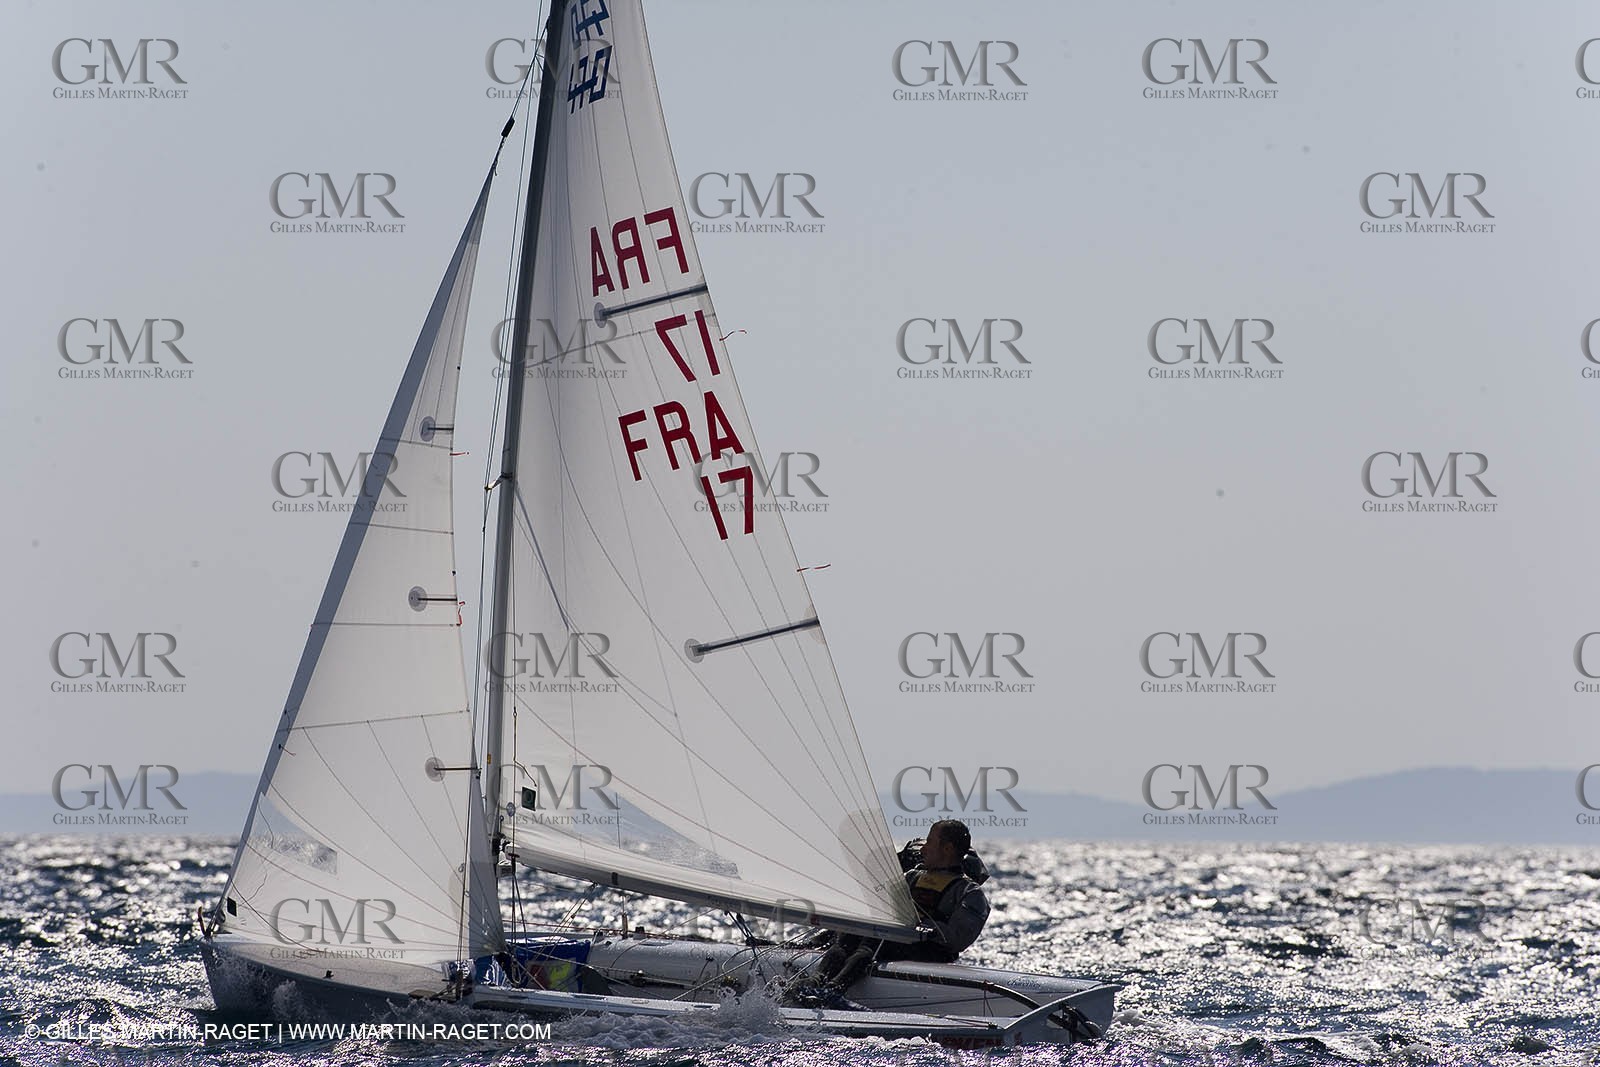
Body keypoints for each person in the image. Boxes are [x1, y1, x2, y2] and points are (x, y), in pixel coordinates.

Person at [806, 819, 990, 997]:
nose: (923, 849)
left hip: (930, 951)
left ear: (947, 849)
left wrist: (919, 927)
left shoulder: (969, 892)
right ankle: (814, 982)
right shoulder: (912, 876)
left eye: (930, 843)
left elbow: (958, 939)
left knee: (873, 943)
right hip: (893, 939)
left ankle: (833, 990)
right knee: (850, 935)